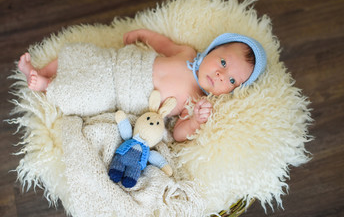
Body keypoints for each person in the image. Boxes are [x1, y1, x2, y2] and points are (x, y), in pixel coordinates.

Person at [18, 29, 266, 142]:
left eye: (232, 81)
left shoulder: (195, 101)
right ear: (214, 48)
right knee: (83, 54)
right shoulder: (187, 53)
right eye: (223, 62)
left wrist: (195, 122)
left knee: (86, 95)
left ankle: (46, 85)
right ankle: (40, 71)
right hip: (117, 63)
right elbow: (163, 44)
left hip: (116, 94)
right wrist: (143, 35)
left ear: (232, 90)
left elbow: (178, 134)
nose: (222, 75)